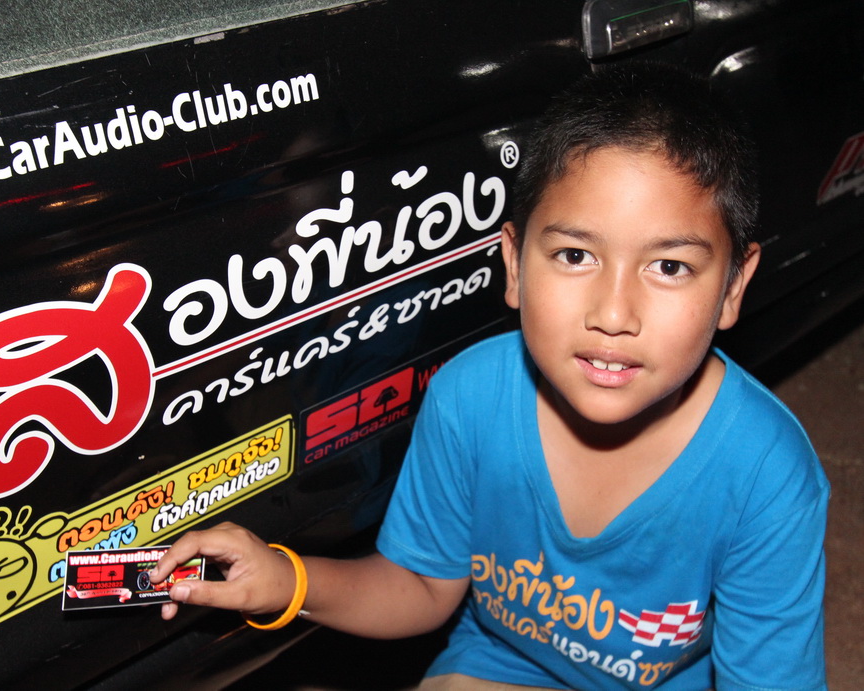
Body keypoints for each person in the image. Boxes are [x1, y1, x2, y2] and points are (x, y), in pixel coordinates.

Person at [150, 63, 829, 690]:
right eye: (574, 254)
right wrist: (286, 579)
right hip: (500, 668)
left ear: (732, 286)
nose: (613, 314)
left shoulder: (766, 476)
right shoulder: (468, 397)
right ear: (513, 263)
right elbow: (421, 588)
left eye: (669, 266)